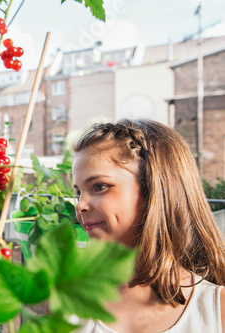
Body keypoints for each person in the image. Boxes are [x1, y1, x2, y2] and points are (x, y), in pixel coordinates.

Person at [71, 118, 225, 333]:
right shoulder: (68, 305)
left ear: (154, 189)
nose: (80, 206)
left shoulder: (217, 309)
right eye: (78, 193)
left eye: (99, 186)